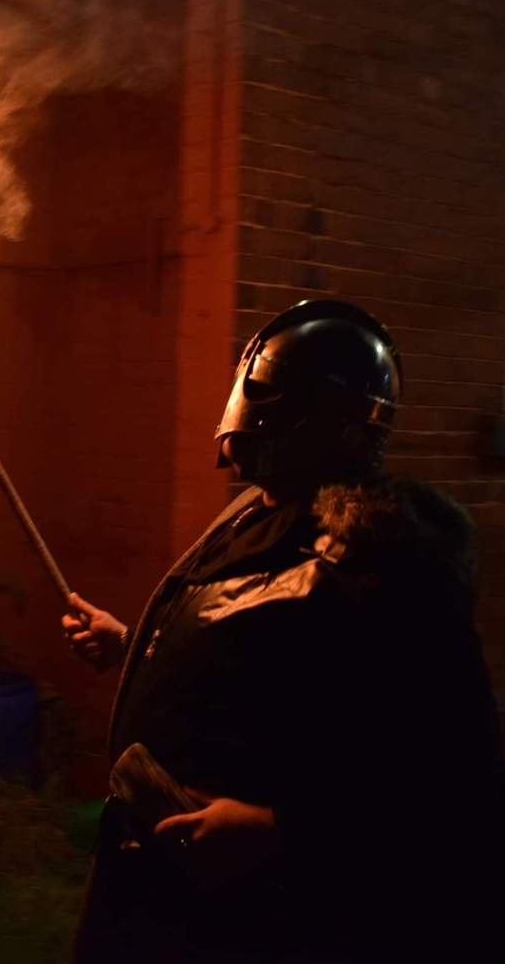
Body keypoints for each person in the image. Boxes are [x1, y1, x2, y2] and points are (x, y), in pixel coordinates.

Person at [63, 299, 505, 963]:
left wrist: (279, 829)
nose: (248, 415)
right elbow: (260, 666)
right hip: (162, 891)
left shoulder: (389, 559)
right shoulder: (251, 515)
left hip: (267, 917)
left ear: (333, 420)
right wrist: (133, 646)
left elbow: (451, 770)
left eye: (272, 394)